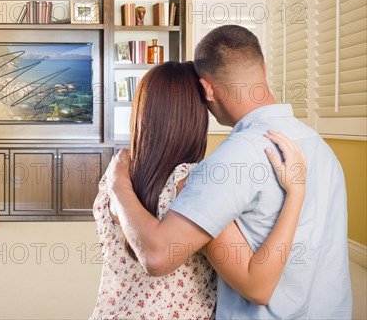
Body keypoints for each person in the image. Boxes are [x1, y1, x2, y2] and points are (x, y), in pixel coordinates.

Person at [104, 25, 352, 319]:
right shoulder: (319, 147)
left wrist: (118, 184)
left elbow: (157, 256)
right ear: (262, 67)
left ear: (207, 89)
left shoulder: (227, 162)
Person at [91, 61, 307, 319]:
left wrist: (118, 184)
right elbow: (257, 286)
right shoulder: (190, 185)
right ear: (195, 118)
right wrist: (296, 194)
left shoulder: (116, 174)